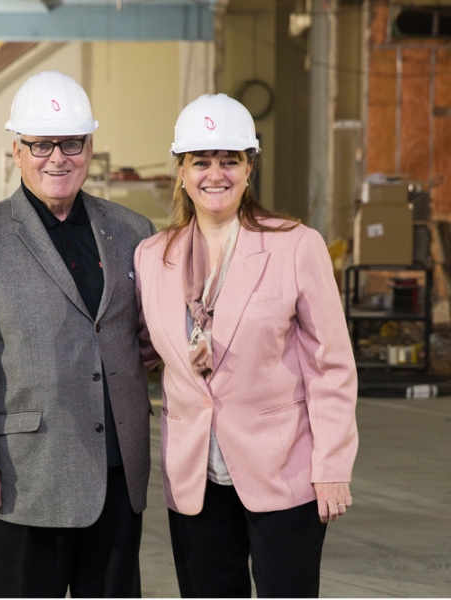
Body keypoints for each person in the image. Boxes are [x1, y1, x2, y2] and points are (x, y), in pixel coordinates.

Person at [0, 70, 157, 598]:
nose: (57, 157)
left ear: (89, 148)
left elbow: (148, 330)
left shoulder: (131, 231)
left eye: (71, 143)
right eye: (41, 145)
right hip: (25, 474)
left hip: (117, 471)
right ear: (17, 150)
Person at [133, 93, 359, 598]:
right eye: (201, 161)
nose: (216, 174)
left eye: (229, 160)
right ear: (182, 171)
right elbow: (141, 351)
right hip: (194, 477)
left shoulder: (295, 245)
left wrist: (332, 467)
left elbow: (331, 366)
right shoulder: (153, 257)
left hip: (284, 472)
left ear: (249, 167)